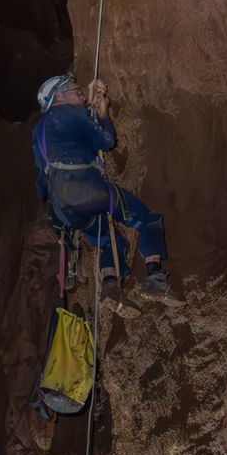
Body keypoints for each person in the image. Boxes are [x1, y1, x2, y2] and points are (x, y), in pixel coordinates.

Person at [31, 73, 169, 293]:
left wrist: (92, 98)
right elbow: (105, 140)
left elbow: (41, 183)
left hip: (64, 207)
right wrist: (103, 109)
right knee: (147, 219)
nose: (82, 97)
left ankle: (110, 286)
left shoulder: (39, 131)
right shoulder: (67, 113)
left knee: (108, 239)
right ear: (58, 97)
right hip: (89, 190)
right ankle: (155, 277)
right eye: (76, 92)